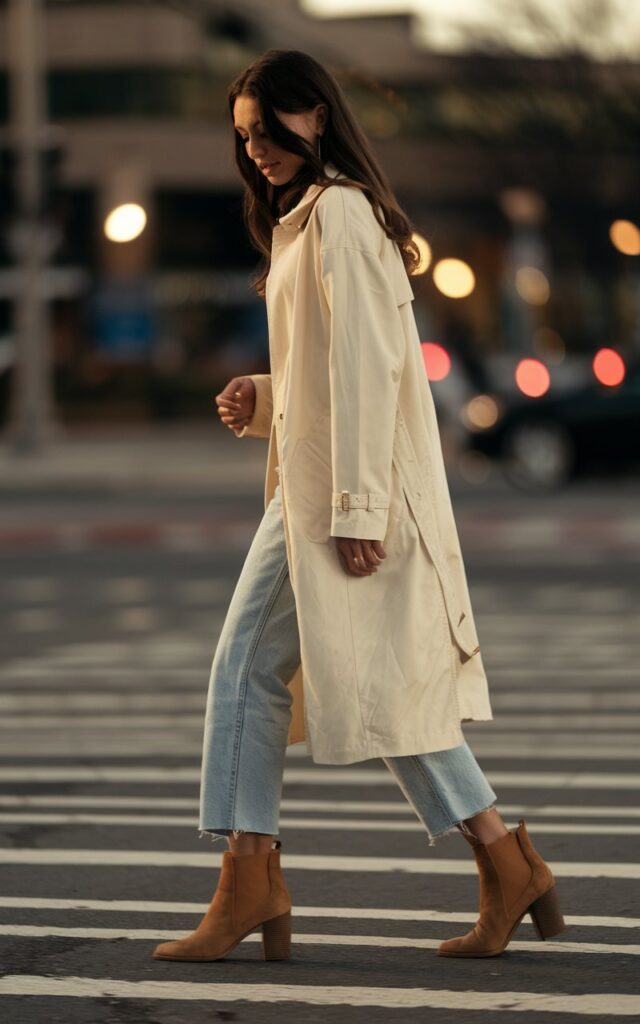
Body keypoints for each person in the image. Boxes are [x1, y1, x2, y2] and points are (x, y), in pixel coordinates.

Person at [153, 49, 565, 965]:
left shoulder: (339, 212)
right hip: (322, 487)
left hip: (334, 498)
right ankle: (508, 861)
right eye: (244, 136)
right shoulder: (312, 217)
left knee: (242, 671)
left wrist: (356, 508)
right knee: (382, 687)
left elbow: (375, 375)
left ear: (317, 116)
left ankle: (250, 879)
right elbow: (334, 371)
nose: (256, 148)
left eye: (269, 128)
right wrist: (263, 399)